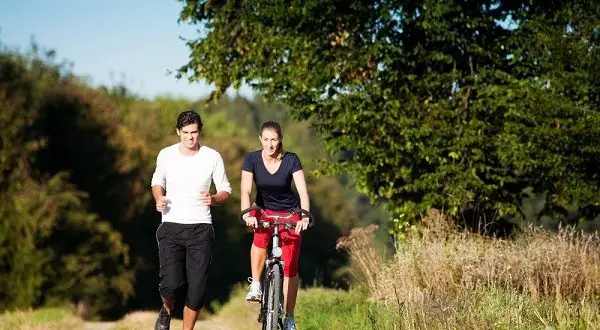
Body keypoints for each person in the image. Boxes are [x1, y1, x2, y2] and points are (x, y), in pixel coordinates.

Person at [151, 110, 232, 330]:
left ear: (199, 131)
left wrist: (213, 198)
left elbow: (225, 190)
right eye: (185, 132)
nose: (190, 137)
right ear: (178, 132)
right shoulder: (166, 155)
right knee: (171, 284)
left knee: (197, 290)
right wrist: (159, 198)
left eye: (194, 132)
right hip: (171, 226)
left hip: (201, 228)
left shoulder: (212, 156)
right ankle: (166, 311)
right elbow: (157, 181)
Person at [241, 120, 310, 330]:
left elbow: (303, 192)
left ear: (280, 140)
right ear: (260, 139)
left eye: (274, 139)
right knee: (259, 237)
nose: (270, 144)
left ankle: (289, 316)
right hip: (263, 211)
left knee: (290, 266)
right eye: (267, 139)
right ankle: (256, 284)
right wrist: (246, 214)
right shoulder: (252, 159)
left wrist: (305, 216)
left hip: (290, 213)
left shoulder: (291, 160)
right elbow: (245, 190)